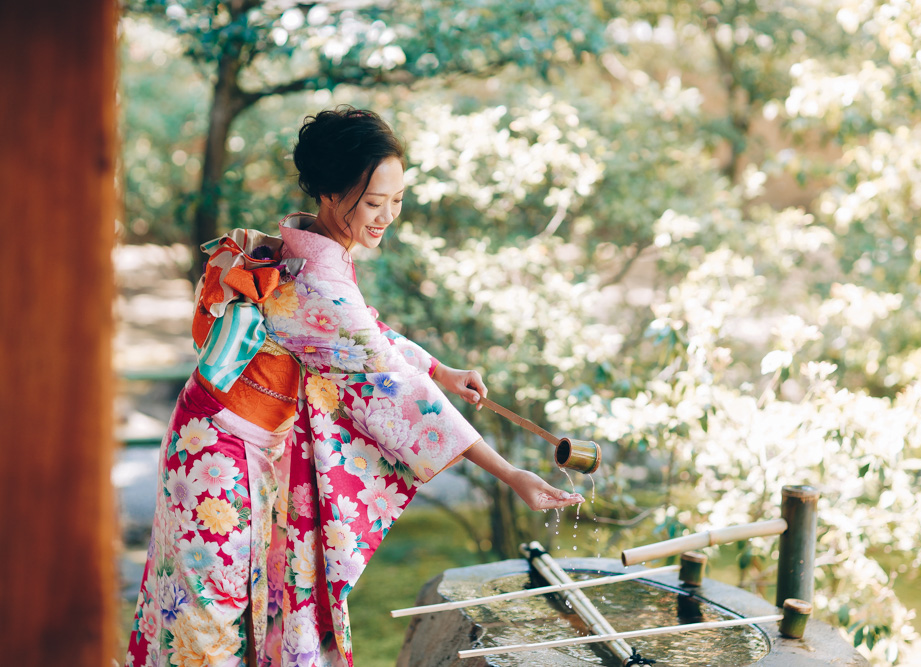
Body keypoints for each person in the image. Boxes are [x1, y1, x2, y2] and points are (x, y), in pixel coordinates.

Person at [126, 106, 584, 667]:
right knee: (208, 619)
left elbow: (369, 334)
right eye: (373, 202)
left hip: (234, 436)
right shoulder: (319, 279)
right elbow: (395, 387)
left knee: (254, 607)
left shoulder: (305, 243)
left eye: (396, 200)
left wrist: (440, 370)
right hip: (220, 453)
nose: (387, 216)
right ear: (331, 193)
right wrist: (510, 473)